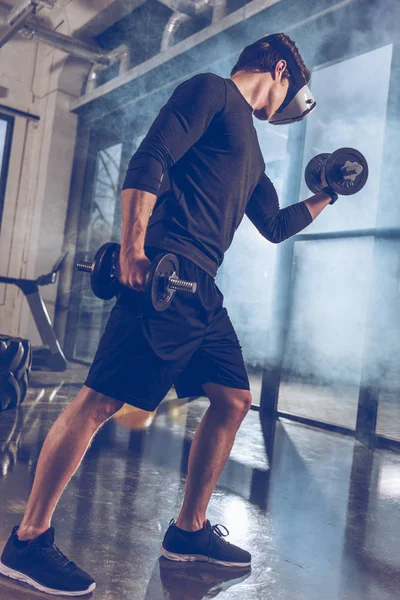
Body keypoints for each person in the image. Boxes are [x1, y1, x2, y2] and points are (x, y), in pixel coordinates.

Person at [0, 33, 336, 596]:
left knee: (233, 399)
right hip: (166, 273)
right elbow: (150, 157)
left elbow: (274, 225)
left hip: (202, 291)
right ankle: (28, 542)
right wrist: (134, 247)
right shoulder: (209, 93)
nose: (286, 106)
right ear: (279, 69)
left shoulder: (251, 149)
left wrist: (329, 193)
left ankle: (188, 531)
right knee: (100, 400)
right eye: (289, 91)